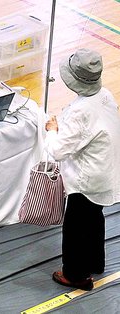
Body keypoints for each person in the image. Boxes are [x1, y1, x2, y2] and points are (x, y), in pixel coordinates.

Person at [46, 48, 120, 291]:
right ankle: (95, 262)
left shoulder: (81, 111)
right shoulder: (106, 95)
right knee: (94, 219)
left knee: (76, 226)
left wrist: (52, 130)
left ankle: (76, 275)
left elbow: (58, 151)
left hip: (87, 178)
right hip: (106, 170)